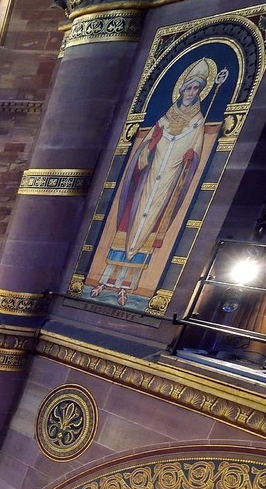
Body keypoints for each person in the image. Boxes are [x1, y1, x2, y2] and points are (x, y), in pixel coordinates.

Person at [90, 56, 226, 306]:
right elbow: (141, 157)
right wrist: (150, 147)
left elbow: (194, 157)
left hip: (168, 187)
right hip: (147, 183)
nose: (192, 92)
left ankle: (128, 285)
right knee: (129, 224)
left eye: (196, 88)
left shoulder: (197, 123)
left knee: (150, 229)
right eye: (189, 87)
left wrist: (190, 158)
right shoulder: (163, 121)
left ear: (200, 93)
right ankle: (106, 280)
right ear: (182, 90)